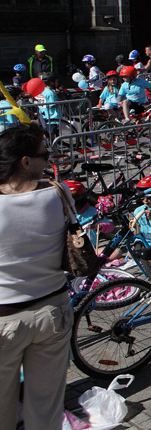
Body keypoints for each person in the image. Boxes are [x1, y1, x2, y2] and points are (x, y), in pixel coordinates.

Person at [0, 124, 71, 429]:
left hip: (5, 316)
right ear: (25, 161)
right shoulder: (57, 192)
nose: (48, 161)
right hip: (52, 310)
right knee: (46, 408)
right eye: (44, 155)